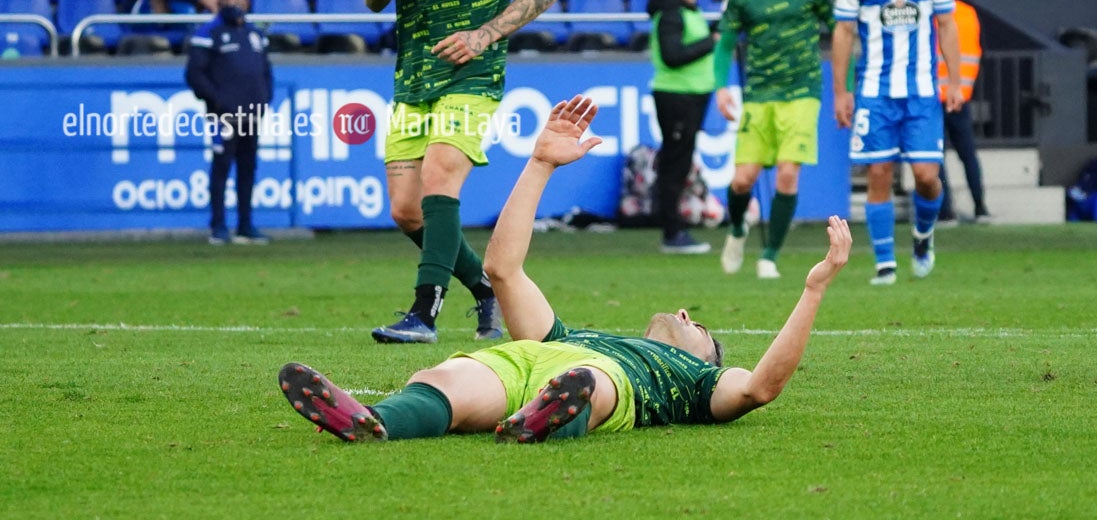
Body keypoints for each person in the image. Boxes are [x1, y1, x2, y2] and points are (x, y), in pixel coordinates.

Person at [278, 95, 853, 444]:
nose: (685, 315)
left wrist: (815, 288)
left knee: (593, 385)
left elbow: (759, 388)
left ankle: (553, 415)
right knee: (446, 380)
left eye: (699, 327)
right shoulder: (568, 334)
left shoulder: (694, 383)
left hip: (601, 384)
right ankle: (371, 422)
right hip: (534, 360)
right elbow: (503, 269)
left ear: (702, 354)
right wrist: (539, 163)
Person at [361, 0, 560, 344]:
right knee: (406, 212)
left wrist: (483, 35)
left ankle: (423, 313)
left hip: (472, 74)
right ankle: (484, 286)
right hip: (413, 77)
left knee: (440, 175)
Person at [831, 0, 962, 286]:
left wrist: (954, 81)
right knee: (879, 173)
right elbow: (843, 32)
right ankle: (885, 263)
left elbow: (947, 25)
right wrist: (841, 91)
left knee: (926, 175)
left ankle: (923, 236)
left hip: (922, 92)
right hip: (874, 92)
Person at [713, 0, 835, 280]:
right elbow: (725, 43)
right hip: (759, 93)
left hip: (802, 91)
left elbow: (841, 29)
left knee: (787, 175)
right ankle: (736, 230)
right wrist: (721, 88)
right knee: (742, 180)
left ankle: (769, 255)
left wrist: (846, 81)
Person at [185, 0, 273, 245]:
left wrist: (265, 98)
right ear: (220, 3)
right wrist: (218, 102)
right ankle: (218, 226)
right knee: (221, 166)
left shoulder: (255, 34)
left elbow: (266, 71)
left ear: (247, 2)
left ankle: (245, 225)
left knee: (248, 167)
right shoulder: (208, 33)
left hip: (252, 114)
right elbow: (194, 74)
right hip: (223, 116)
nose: (235, 4)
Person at [647, 0, 717, 255]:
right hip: (677, 96)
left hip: (691, 95)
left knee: (681, 161)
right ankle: (672, 232)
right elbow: (672, 56)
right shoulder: (673, 13)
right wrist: (711, 41)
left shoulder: (686, 10)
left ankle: (675, 229)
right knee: (675, 163)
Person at [936, 0, 992, 225]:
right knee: (968, 155)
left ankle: (946, 211)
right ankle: (980, 208)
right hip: (960, 95)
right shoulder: (968, 13)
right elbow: (979, 50)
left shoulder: (931, 14)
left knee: (935, 158)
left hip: (932, 98)